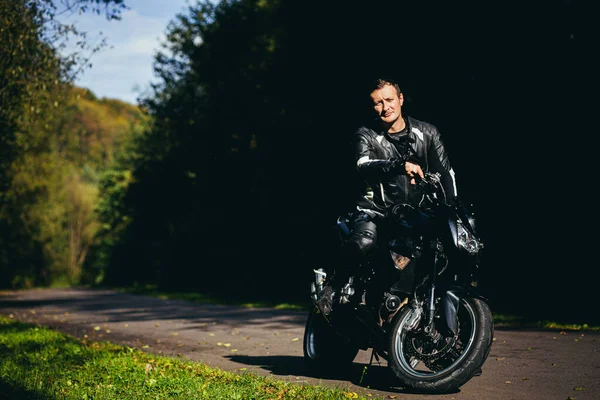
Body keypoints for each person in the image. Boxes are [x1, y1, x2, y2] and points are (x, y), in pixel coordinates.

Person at [317, 77, 459, 315]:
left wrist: (453, 208)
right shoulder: (366, 134)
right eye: (378, 103)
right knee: (365, 241)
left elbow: (446, 172)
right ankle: (333, 284)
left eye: (389, 100)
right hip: (374, 210)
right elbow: (363, 164)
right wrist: (398, 164)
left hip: (415, 214)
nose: (385, 107)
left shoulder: (428, 133)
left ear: (401, 99)